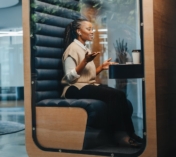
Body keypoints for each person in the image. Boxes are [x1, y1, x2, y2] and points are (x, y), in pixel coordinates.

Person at [61, 18, 143, 147]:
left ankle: (129, 132)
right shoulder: (72, 49)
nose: (92, 31)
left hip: (85, 85)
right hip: (73, 89)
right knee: (116, 95)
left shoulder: (84, 49)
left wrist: (101, 67)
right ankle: (120, 135)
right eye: (88, 29)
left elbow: (86, 75)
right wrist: (85, 61)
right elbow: (70, 78)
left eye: (92, 29)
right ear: (78, 31)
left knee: (120, 95)